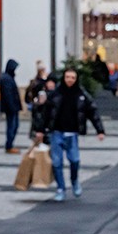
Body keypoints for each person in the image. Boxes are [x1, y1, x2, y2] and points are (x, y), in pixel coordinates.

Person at [45, 68, 107, 202]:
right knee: (57, 162)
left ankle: (74, 181)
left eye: (73, 77)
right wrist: (39, 129)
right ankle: (60, 188)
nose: (70, 80)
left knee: (74, 160)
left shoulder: (81, 94)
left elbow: (93, 112)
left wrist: (100, 130)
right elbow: (45, 112)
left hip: (72, 133)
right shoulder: (56, 94)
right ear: (64, 78)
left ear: (76, 79)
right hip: (57, 132)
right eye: (68, 77)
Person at [0, 58, 24, 154]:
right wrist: (12, 107)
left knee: (14, 126)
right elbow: (8, 95)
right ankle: (9, 145)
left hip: (12, 107)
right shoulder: (6, 79)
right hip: (11, 108)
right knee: (12, 126)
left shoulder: (8, 77)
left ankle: (10, 144)